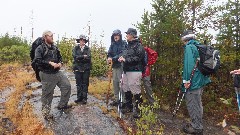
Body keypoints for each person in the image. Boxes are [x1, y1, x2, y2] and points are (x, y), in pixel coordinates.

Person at [34, 30, 72, 120]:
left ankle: (62, 105)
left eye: (52, 35)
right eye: (50, 35)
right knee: (47, 95)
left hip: (57, 72)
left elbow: (60, 58)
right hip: (46, 74)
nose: (52, 37)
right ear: (45, 37)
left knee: (67, 86)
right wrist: (49, 63)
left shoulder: (55, 48)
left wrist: (60, 63)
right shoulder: (40, 48)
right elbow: (37, 61)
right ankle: (46, 114)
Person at [181, 30, 211, 135]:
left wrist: (186, 81)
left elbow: (188, 65)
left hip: (194, 81)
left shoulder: (189, 47)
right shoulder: (198, 45)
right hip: (200, 80)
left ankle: (197, 128)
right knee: (198, 103)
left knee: (192, 104)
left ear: (185, 38)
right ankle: (197, 123)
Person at [118, 28, 146, 118]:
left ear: (132, 35)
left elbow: (138, 58)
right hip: (126, 70)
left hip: (135, 70)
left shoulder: (139, 46)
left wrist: (126, 59)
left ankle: (139, 110)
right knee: (126, 87)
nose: (126, 35)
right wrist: (121, 57)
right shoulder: (127, 46)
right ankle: (128, 107)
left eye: (128, 34)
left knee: (136, 90)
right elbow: (124, 54)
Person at [107, 29, 127, 106]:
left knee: (121, 83)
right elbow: (109, 53)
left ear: (120, 36)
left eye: (117, 35)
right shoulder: (112, 44)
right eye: (114, 35)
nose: (116, 37)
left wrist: (113, 58)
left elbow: (123, 53)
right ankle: (116, 99)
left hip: (121, 66)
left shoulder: (124, 43)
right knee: (115, 83)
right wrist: (109, 57)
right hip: (114, 66)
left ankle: (123, 100)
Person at [72, 34, 91, 104]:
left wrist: (79, 58)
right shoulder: (75, 48)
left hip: (86, 68)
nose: (82, 41)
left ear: (85, 41)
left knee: (85, 83)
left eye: (83, 40)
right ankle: (79, 98)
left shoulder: (88, 49)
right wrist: (83, 56)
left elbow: (88, 58)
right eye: (81, 40)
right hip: (77, 68)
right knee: (78, 83)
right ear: (79, 41)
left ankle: (84, 98)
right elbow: (75, 57)